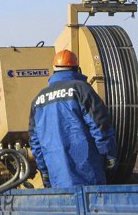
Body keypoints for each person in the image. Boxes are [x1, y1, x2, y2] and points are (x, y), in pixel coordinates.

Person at [28, 49, 118, 188]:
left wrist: (45, 172)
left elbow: (36, 143)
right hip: (88, 173)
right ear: (77, 68)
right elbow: (99, 127)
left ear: (54, 70)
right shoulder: (82, 89)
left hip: (57, 177)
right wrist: (110, 156)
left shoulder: (38, 100)